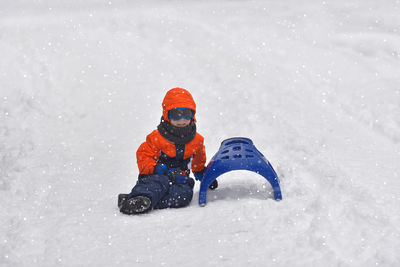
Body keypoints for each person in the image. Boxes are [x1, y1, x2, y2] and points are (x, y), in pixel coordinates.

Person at [119, 88, 218, 215]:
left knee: (184, 195)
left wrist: (204, 177)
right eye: (176, 114)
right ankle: (141, 197)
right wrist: (157, 169)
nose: (181, 119)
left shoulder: (196, 140)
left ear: (193, 115)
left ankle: (141, 201)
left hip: (179, 178)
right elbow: (143, 155)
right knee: (158, 183)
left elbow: (198, 162)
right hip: (155, 175)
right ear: (167, 115)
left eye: (186, 114)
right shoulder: (157, 138)